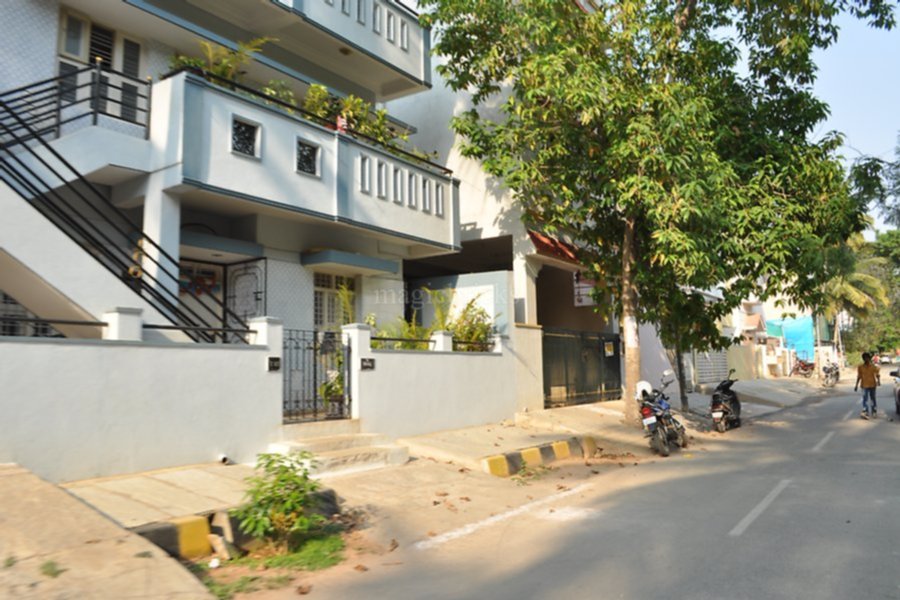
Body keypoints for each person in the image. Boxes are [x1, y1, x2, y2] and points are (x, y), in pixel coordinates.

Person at [854, 352, 881, 419]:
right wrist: (856, 385)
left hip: (872, 385)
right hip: (864, 386)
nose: (866, 359)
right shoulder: (860, 367)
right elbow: (859, 376)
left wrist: (879, 381)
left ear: (869, 358)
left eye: (867, 358)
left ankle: (874, 411)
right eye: (864, 358)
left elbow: (877, 374)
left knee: (873, 399)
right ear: (863, 359)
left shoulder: (873, 367)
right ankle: (865, 412)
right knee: (865, 399)